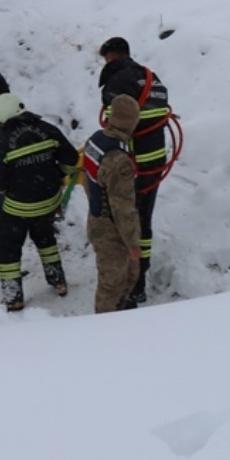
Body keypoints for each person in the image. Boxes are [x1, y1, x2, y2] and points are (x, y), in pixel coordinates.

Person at [97, 36, 172, 305]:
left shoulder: (117, 82)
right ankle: (139, 283)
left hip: (130, 165)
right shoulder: (152, 78)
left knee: (125, 225)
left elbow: (114, 126)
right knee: (144, 222)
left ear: (112, 56)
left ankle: (127, 288)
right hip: (154, 163)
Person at [0, 92, 79, 310]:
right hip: (49, 200)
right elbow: (72, 160)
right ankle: (58, 281)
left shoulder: (1, 142)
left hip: (20, 205)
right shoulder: (47, 129)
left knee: (7, 246)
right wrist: (58, 175)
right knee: (44, 235)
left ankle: (14, 297)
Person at [81, 94, 142, 313]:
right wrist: (133, 243)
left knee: (128, 274)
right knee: (112, 285)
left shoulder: (96, 140)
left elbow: (86, 177)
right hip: (112, 229)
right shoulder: (120, 160)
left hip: (97, 218)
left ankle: (119, 316)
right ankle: (105, 329)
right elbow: (123, 208)